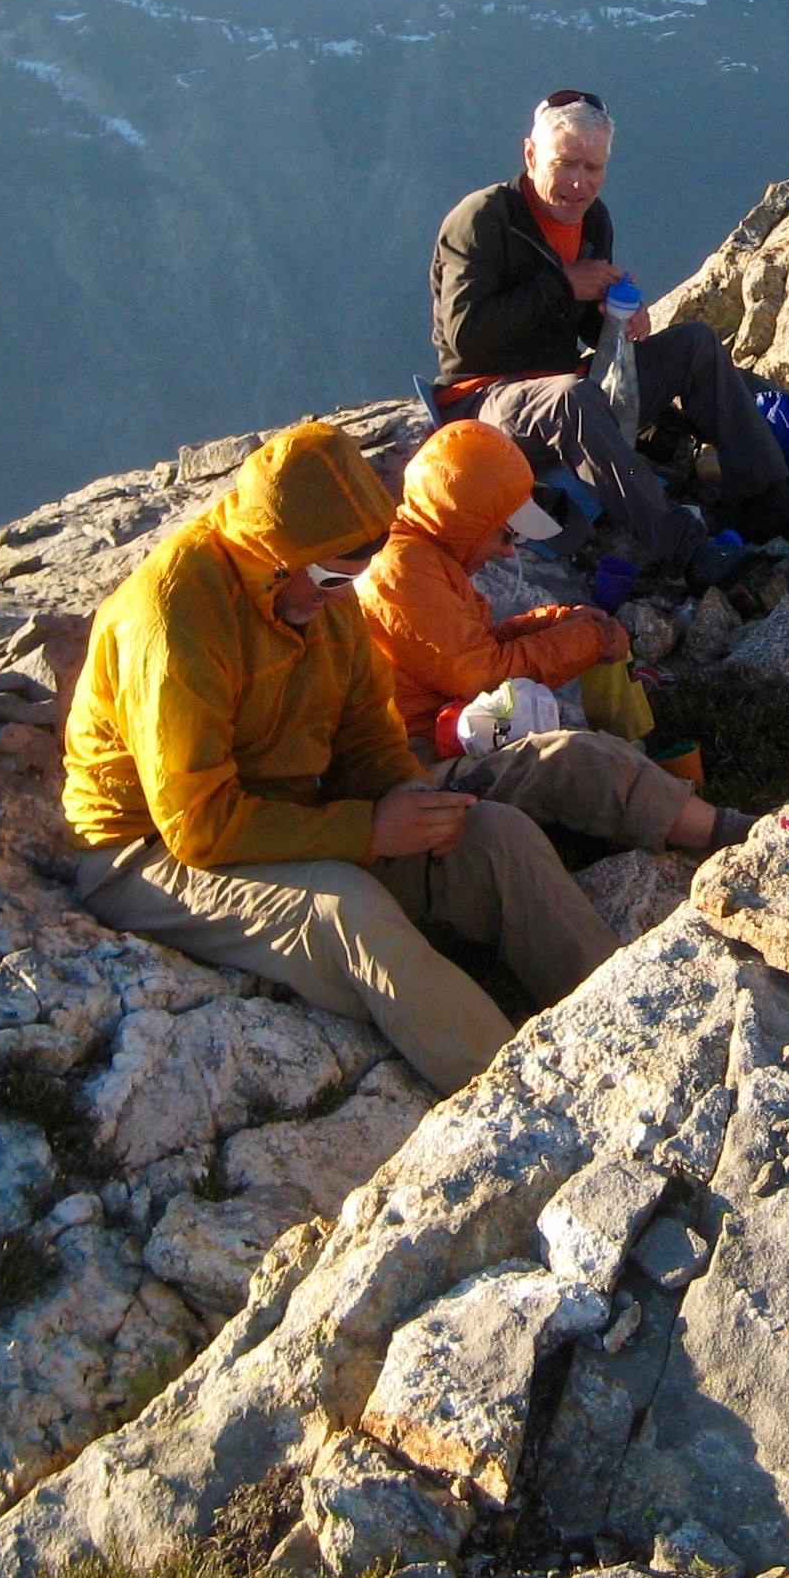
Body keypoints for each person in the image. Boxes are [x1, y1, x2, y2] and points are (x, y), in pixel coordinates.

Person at [63, 418, 623, 1094]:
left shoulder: (321, 590)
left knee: (491, 834)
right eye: (330, 576)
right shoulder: (176, 619)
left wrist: (409, 794)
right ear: (275, 552)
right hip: (147, 850)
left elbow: (366, 727)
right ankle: (525, 1105)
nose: (338, 593)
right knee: (346, 908)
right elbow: (198, 824)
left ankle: (621, 1027)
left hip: (282, 809)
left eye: (350, 575)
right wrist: (366, 831)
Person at [431, 88, 789, 580]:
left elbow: (586, 329)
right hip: (485, 400)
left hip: (562, 384)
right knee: (571, 396)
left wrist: (619, 321)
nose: (579, 183)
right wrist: (562, 285)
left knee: (694, 344)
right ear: (531, 154)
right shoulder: (484, 219)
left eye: (593, 168)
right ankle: (685, 550)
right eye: (565, 163)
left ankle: (766, 496)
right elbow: (467, 336)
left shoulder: (591, 219)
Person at [356, 419, 751, 853]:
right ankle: (731, 838)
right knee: (568, 757)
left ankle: (665, 814)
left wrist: (559, 621)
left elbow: (475, 647)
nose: (509, 550)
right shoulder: (401, 571)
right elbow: (479, 676)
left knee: (572, 742)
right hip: (418, 768)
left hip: (447, 736)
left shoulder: (427, 559)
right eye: (505, 533)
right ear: (466, 523)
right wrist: (585, 640)